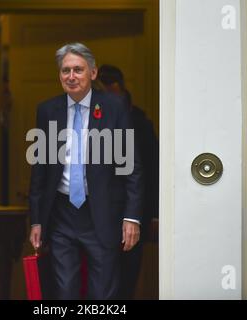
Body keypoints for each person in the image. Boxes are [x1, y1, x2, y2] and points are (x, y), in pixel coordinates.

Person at [28, 43, 143, 300]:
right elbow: (40, 170)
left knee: (102, 293)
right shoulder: (47, 111)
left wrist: (132, 217)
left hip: (101, 213)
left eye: (78, 70)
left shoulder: (114, 106)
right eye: (65, 70)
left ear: (93, 72)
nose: (71, 76)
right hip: (61, 214)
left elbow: (131, 165)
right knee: (64, 291)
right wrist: (36, 219)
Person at [97, 64, 159, 299]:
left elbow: (152, 170)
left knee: (126, 281)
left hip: (134, 214)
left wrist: (154, 215)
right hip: (96, 217)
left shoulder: (140, 124)